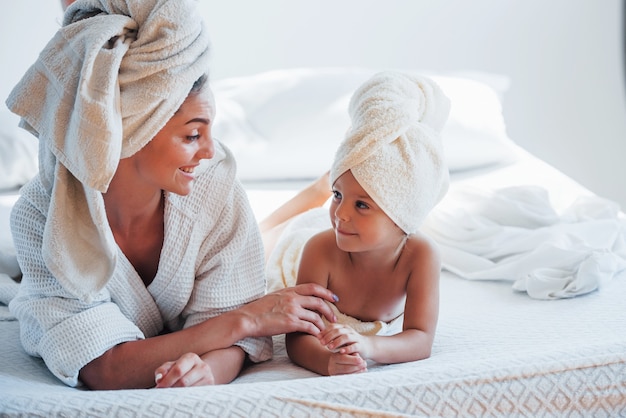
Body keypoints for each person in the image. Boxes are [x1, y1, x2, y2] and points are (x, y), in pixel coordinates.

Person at [7, 0, 336, 390]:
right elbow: (103, 367)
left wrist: (209, 371)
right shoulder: (42, 214)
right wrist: (246, 319)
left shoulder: (214, 186)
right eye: (192, 135)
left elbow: (238, 343)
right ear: (132, 132)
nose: (210, 151)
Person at [262, 71, 451, 376]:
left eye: (362, 204)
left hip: (347, 236)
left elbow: (421, 338)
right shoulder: (319, 249)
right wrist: (326, 362)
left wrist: (368, 345)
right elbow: (298, 336)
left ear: (402, 216)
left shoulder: (420, 255)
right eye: (337, 195)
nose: (341, 213)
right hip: (297, 241)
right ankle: (319, 189)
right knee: (261, 238)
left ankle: (322, 187)